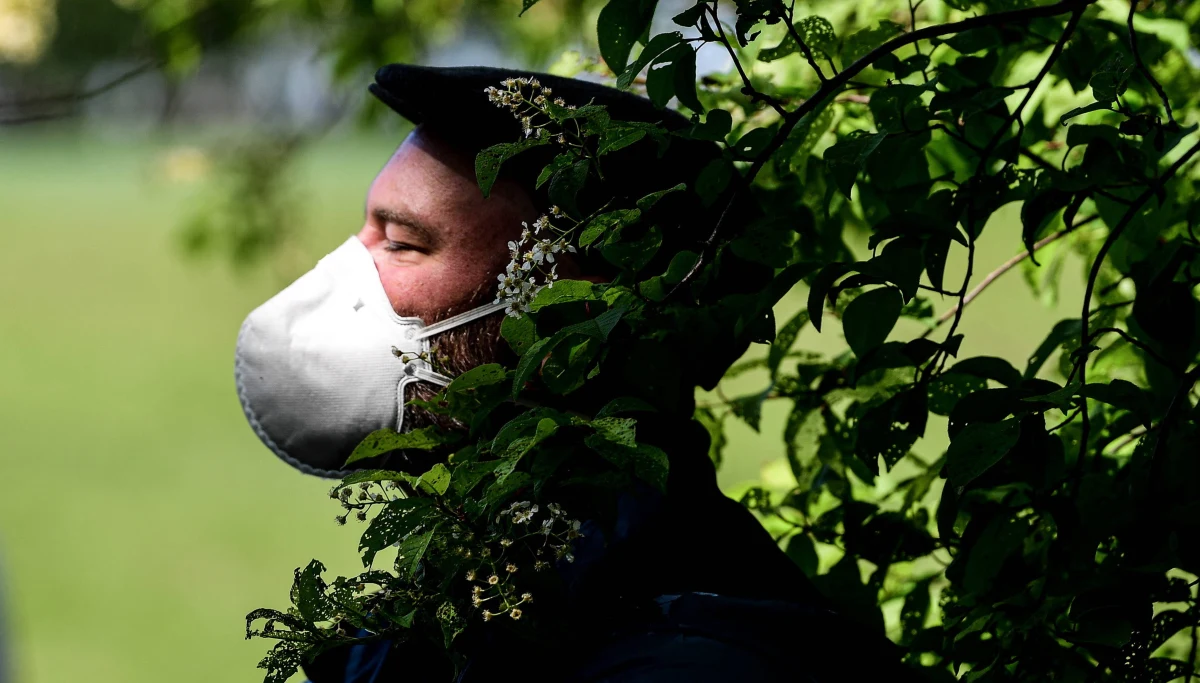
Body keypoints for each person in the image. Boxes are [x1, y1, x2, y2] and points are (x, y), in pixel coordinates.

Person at [236, 64, 924, 682]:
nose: (347, 274)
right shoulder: (460, 604)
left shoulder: (694, 656)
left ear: (573, 309)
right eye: (366, 234)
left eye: (404, 243)